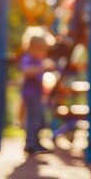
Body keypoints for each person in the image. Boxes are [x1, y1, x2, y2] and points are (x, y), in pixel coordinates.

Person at [20, 26, 55, 154]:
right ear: (32, 48)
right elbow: (26, 71)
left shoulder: (39, 61)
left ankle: (36, 141)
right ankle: (30, 143)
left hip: (37, 94)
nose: (44, 53)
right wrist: (43, 68)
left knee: (40, 119)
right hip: (30, 94)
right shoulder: (28, 58)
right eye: (42, 50)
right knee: (33, 119)